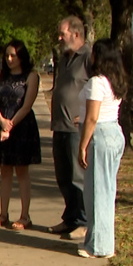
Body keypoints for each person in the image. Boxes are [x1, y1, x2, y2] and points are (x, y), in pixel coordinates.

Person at [76, 39, 127, 259]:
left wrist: (83, 145)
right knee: (105, 190)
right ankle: (99, 241)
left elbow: (94, 117)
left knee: (98, 192)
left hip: (101, 136)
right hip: (114, 132)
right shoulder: (115, 81)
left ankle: (99, 246)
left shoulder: (97, 81)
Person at [0, 39, 42, 230]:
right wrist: (1, 121)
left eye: (13, 55)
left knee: (22, 171)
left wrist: (10, 126)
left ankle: (25, 216)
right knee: (5, 171)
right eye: (7, 55)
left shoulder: (31, 76)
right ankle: (3, 214)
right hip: (1, 123)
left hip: (22, 127)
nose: (9, 59)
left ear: (21, 57)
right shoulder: (2, 75)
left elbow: (27, 105)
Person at [48, 16, 93, 240]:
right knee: (63, 176)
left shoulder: (89, 57)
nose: (59, 38)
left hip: (78, 129)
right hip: (60, 126)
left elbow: (101, 89)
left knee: (78, 176)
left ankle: (83, 222)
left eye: (62, 34)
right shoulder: (64, 59)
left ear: (76, 34)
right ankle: (70, 218)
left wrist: (87, 116)